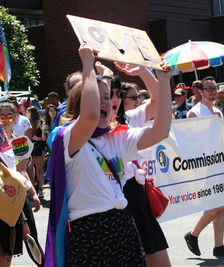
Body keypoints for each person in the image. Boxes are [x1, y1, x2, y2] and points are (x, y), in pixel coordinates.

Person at [44, 44, 172, 266]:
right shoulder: (68, 137)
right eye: (100, 97)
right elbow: (91, 115)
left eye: (110, 97)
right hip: (89, 230)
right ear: (81, 103)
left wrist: (163, 80)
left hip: (123, 225)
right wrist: (87, 65)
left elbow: (161, 130)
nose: (109, 102)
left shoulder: (118, 137)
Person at [114, 62, 172, 267]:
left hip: (134, 193)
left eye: (139, 96)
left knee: (155, 252)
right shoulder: (86, 128)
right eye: (133, 97)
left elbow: (157, 101)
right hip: (112, 198)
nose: (138, 100)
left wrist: (142, 71)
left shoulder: (131, 118)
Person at [184, 76, 224, 257]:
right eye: (208, 88)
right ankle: (193, 235)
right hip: (205, 166)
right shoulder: (194, 113)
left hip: (220, 163)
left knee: (222, 205)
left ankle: (219, 246)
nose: (212, 91)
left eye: (214, 88)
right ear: (200, 91)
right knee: (217, 204)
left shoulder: (218, 112)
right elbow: (191, 143)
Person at [0, 102, 41, 267]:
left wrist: (34, 193)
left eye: (9, 117)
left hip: (20, 194)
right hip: (4, 197)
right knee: (5, 248)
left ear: (16, 118)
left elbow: (23, 173)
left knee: (31, 237)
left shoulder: (20, 143)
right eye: (1, 117)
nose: (5, 121)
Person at [25, 106, 46, 198]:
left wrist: (38, 138)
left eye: (27, 111)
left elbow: (44, 137)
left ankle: (40, 189)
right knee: (29, 170)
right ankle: (32, 190)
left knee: (39, 169)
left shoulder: (40, 122)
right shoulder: (25, 122)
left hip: (37, 148)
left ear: (31, 113)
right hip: (28, 149)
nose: (26, 113)